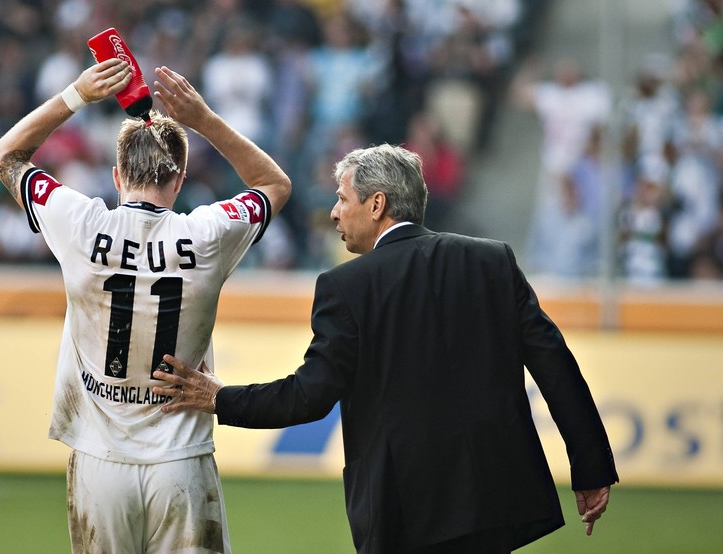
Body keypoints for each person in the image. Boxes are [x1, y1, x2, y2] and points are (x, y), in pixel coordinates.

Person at [152, 144, 618, 553]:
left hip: (404, 512)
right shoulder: (491, 260)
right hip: (492, 502)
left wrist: (220, 397)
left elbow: (310, 396)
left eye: (341, 199)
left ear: (377, 205)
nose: (334, 213)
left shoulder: (346, 286)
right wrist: (591, 466)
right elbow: (555, 364)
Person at [0, 58, 291, 553]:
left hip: (99, 460)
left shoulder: (80, 224)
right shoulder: (207, 233)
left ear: (115, 174)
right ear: (180, 179)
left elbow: (5, 156)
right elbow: (274, 184)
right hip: (181, 461)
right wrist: (204, 120)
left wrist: (78, 95)